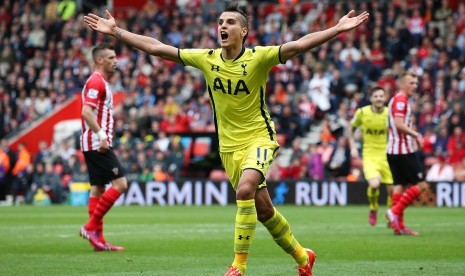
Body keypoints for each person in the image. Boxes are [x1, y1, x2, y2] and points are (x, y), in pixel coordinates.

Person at [84, 3, 369, 275]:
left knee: (244, 190)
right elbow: (157, 48)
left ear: (243, 31)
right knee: (264, 210)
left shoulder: (259, 57)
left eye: (230, 22)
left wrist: (336, 29)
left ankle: (238, 266)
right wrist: (117, 32)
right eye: (220, 22)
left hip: (259, 138)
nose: (223, 25)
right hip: (229, 147)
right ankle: (304, 258)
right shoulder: (207, 59)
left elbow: (298, 45)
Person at [79, 43, 128, 251]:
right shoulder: (96, 82)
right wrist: (101, 136)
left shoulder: (101, 82)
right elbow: (86, 112)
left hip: (94, 142)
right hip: (97, 143)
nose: (115, 60)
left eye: (115, 57)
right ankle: (90, 228)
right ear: (99, 60)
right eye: (110, 57)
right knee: (121, 184)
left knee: (98, 188)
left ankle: (98, 240)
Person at [385, 72, 429, 236]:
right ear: (402, 84)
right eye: (411, 83)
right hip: (402, 150)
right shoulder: (401, 100)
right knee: (422, 184)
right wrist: (416, 134)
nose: (415, 86)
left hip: (393, 150)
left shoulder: (398, 99)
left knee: (400, 186)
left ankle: (399, 226)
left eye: (416, 83)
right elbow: (398, 124)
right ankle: (394, 211)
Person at [348, 86, 393, 226]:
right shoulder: (362, 112)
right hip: (369, 154)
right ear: (371, 98)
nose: (379, 98)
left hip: (387, 154)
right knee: (374, 184)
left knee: (392, 190)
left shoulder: (389, 113)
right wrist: (353, 147)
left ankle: (392, 216)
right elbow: (350, 129)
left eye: (381, 96)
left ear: (385, 98)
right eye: (376, 96)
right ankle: (373, 208)